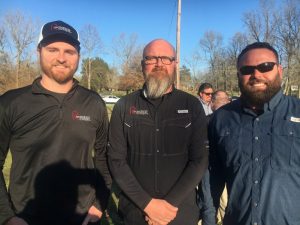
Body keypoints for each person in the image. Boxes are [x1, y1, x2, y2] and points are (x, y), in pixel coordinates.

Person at [0, 20, 111, 225]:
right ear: (39, 51)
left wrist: (98, 204)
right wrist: (7, 216)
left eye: (69, 51)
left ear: (78, 55)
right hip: (26, 218)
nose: (61, 58)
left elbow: (104, 158)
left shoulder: (94, 102)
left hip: (82, 219)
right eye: (53, 49)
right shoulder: (11, 102)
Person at [108, 39, 208, 225]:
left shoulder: (191, 105)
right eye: (151, 58)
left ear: (175, 64)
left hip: (179, 213)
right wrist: (148, 205)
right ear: (142, 64)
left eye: (165, 59)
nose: (159, 64)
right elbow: (116, 160)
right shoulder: (124, 106)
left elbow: (200, 159)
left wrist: (168, 205)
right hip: (135, 213)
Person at [203, 41, 300, 225]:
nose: (256, 74)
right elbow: (212, 178)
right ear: (239, 75)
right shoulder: (221, 119)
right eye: (247, 69)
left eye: (265, 66)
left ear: (280, 70)